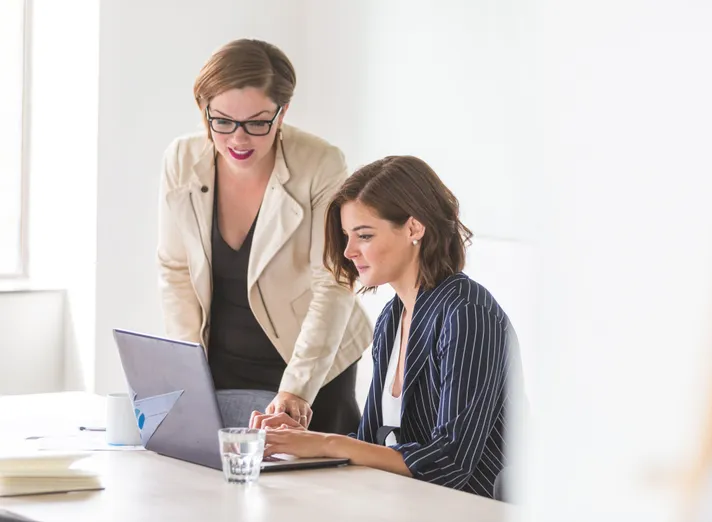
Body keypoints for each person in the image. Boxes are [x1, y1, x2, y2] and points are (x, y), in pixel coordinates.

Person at [251, 155, 521, 498]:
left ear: (414, 228)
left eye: (364, 235)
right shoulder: (392, 318)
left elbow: (448, 464)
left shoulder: (467, 313)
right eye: (346, 236)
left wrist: (326, 442)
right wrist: (300, 441)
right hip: (407, 504)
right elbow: (370, 444)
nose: (349, 251)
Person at [156, 38, 372, 434]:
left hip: (312, 364)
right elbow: (175, 269)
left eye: (257, 123)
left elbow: (333, 279)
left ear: (282, 112)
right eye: (222, 121)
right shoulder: (181, 160)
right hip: (221, 362)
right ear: (204, 110)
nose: (238, 139)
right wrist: (188, 370)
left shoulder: (320, 163)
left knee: (316, 471)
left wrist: (296, 389)